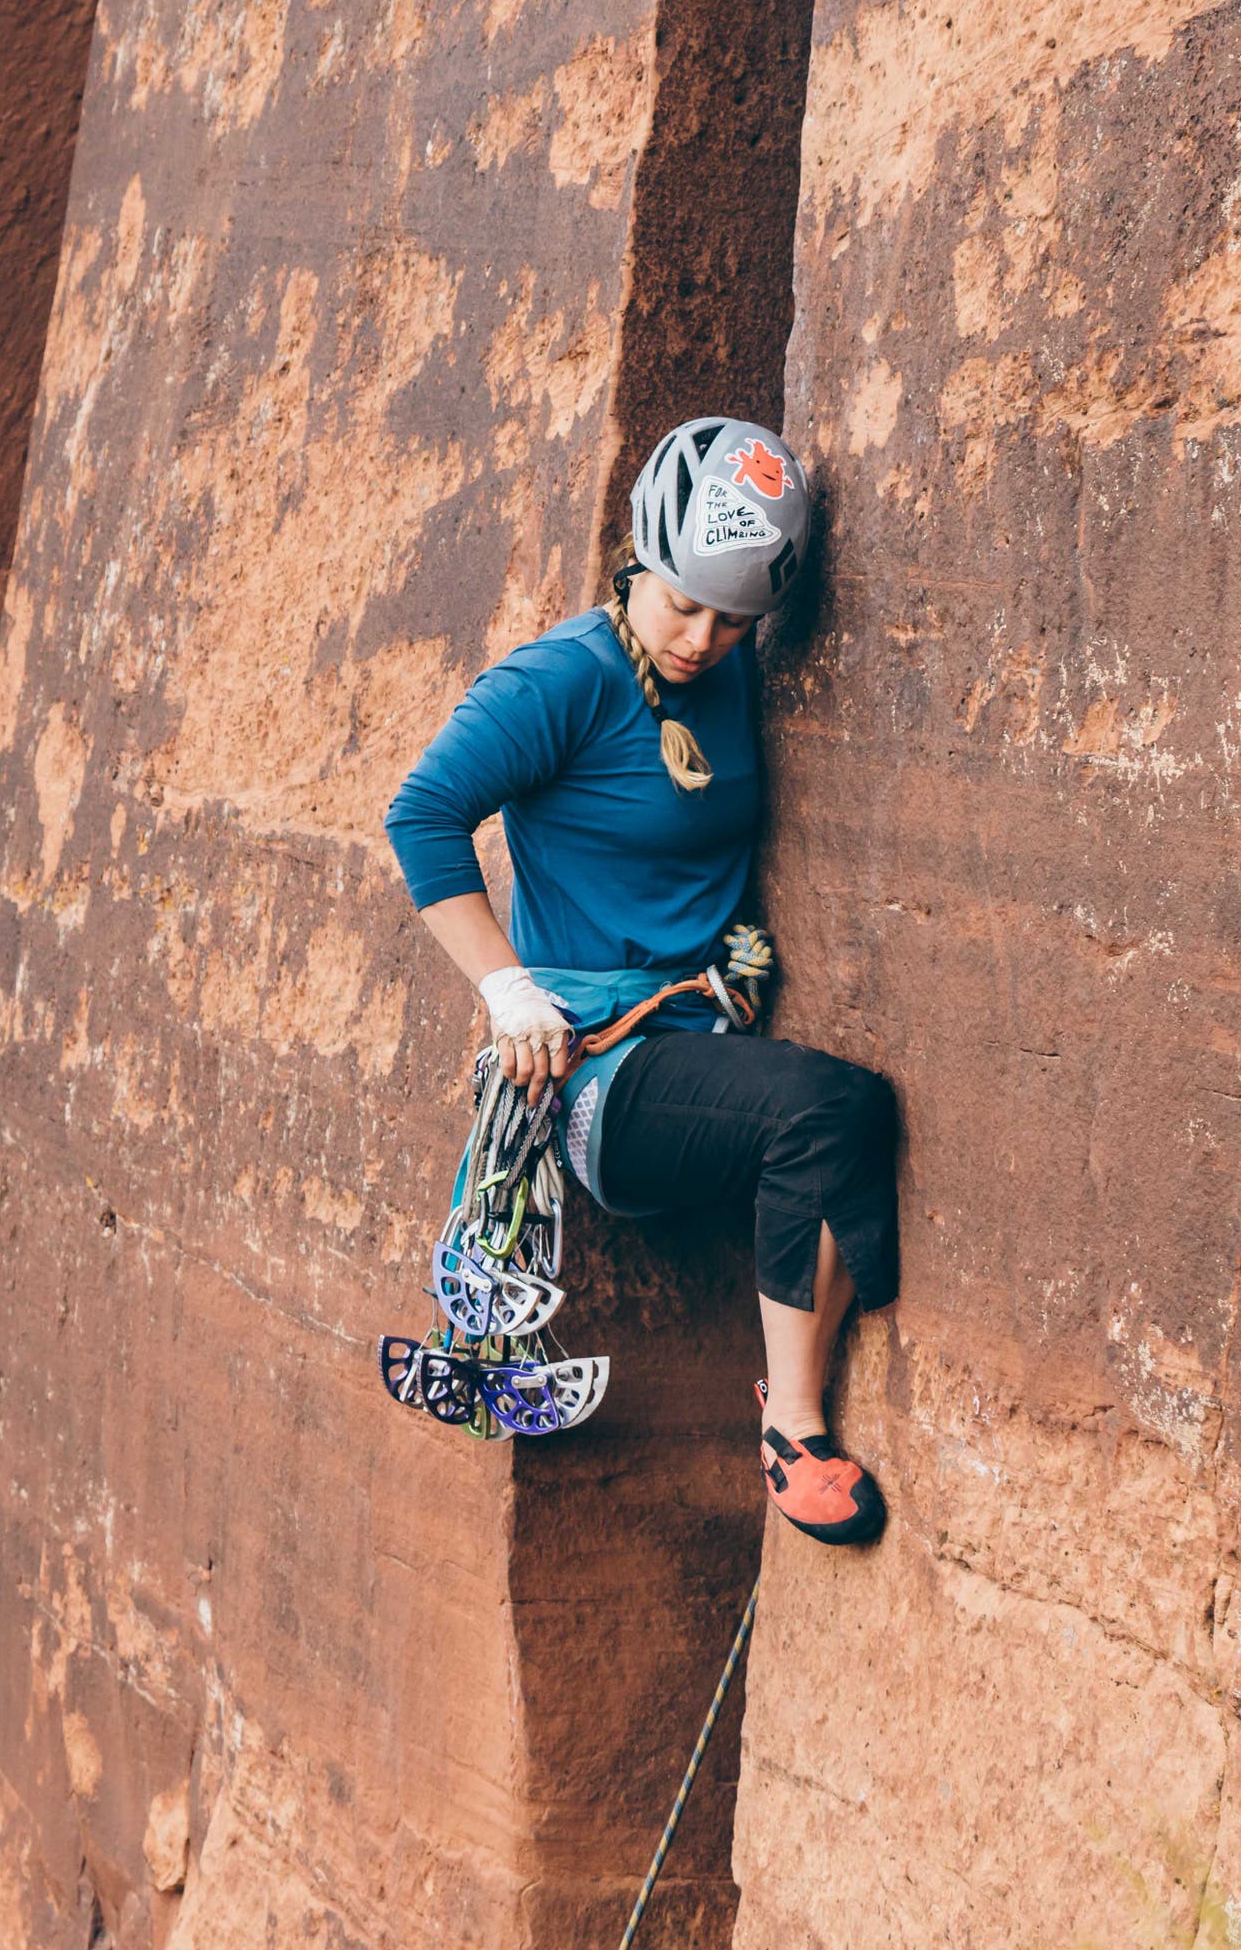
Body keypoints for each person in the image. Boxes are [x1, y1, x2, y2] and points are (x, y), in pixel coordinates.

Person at [383, 417, 896, 1544]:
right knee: (830, 1108)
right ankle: (793, 1427)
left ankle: (795, 1396)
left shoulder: (725, 670)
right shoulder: (563, 677)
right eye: (682, 604)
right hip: (599, 1077)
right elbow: (421, 815)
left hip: (697, 1028)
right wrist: (505, 986)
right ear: (639, 561)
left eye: (732, 617)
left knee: (850, 1116)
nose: (704, 637)